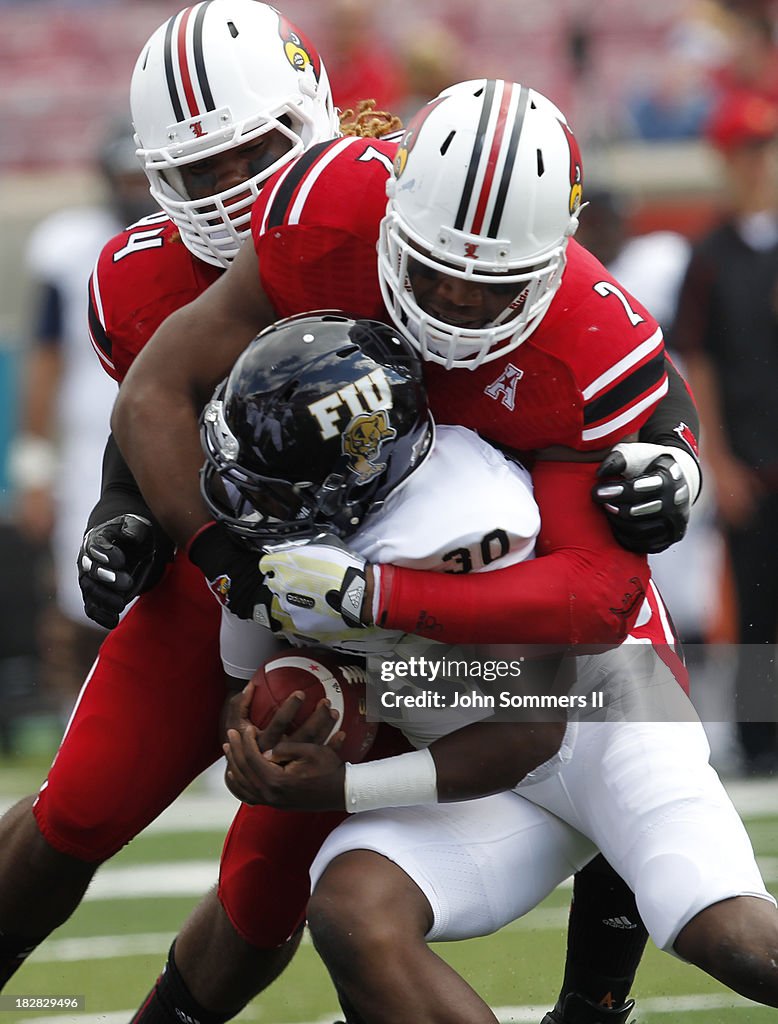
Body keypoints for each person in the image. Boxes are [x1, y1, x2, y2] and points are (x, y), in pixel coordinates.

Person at [0, 20, 648, 1024]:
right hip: (231, 567)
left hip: (403, 605)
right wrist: (128, 517)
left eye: (253, 153)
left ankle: (596, 998)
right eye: (200, 166)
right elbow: (153, 412)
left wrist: (672, 462)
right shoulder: (164, 267)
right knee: (81, 804)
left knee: (622, 706)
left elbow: (587, 392)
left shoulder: (428, 223)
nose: (229, 187)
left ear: (314, 121)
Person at [211, 325, 776, 1022]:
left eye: (280, 482)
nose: (254, 501)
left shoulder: (465, 517)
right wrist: (254, 745)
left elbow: (529, 731)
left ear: (355, 473)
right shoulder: (272, 539)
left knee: (734, 939)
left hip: (605, 723)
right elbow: (238, 689)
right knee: (355, 911)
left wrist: (347, 784)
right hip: (475, 769)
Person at [7, 120, 156, 714]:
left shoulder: (195, 238)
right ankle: (88, 723)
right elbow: (42, 364)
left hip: (179, 439)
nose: (133, 189)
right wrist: (34, 470)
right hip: (90, 451)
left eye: (141, 176)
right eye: (124, 177)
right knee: (86, 595)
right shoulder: (71, 246)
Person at [673, 87, 778, 775]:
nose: (760, 163)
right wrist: (721, 461)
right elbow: (698, 360)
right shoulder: (710, 255)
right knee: (756, 605)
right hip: (750, 459)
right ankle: (761, 737)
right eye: (749, 150)